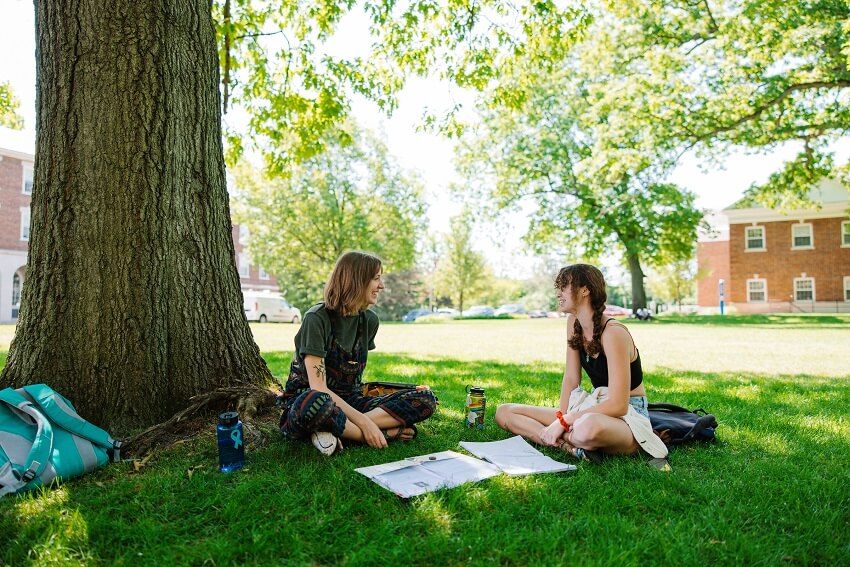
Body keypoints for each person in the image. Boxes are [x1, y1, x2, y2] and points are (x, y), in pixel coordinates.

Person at [494, 263, 667, 463]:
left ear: (585, 290)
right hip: (593, 407)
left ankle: (567, 439)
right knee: (505, 412)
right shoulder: (573, 323)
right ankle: (568, 445)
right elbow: (571, 378)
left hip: (628, 415)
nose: (558, 293)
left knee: (587, 427)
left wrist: (565, 421)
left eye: (563, 286)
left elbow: (619, 405)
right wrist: (561, 417)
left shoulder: (614, 333)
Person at [278, 251, 437, 455]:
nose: (382, 286)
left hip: (351, 400)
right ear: (357, 280)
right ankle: (381, 434)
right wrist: (365, 423)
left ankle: (337, 430)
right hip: (312, 400)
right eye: (376, 278)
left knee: (424, 398)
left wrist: (361, 419)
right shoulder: (316, 319)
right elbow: (319, 388)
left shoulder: (370, 321)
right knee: (314, 404)